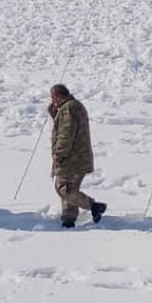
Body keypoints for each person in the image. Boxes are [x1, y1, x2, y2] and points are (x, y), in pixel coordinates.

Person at [48, 84, 106, 228]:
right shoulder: (73, 106)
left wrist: (59, 154)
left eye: (52, 97)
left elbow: (66, 133)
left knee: (62, 187)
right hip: (79, 158)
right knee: (69, 188)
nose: (52, 100)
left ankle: (93, 206)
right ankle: (69, 218)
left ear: (58, 95)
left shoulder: (68, 108)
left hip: (72, 158)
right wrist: (55, 115)